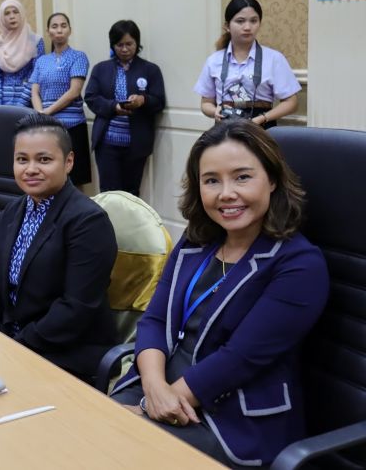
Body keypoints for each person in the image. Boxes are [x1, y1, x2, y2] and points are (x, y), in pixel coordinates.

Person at [110, 119, 329, 467]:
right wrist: (152, 388)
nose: (226, 193)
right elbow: (154, 319)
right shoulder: (197, 240)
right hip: (160, 388)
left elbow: (239, 359)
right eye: (211, 180)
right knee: (77, 431)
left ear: (272, 180)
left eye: (242, 177)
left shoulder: (299, 264)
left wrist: (150, 410)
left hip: (231, 415)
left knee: (111, 448)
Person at [0, 114, 117, 381]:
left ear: (69, 161)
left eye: (44, 159)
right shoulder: (12, 211)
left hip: (65, 350)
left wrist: (15, 346)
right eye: (22, 159)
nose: (31, 168)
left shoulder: (88, 221)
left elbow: (76, 307)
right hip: (12, 339)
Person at [84, 20, 166, 196]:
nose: (124, 49)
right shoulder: (101, 69)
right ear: (112, 45)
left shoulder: (150, 70)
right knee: (109, 194)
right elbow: (91, 97)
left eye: (129, 44)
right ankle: (108, 225)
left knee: (131, 194)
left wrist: (142, 100)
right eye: (119, 45)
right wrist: (113, 106)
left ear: (137, 43)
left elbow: (159, 101)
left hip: (136, 144)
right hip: (106, 144)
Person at [196, 0, 300, 129]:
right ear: (227, 26)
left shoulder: (274, 59)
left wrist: (262, 118)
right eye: (240, 21)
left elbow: (292, 102)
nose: (247, 27)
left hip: (262, 127)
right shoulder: (213, 61)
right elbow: (205, 104)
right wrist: (215, 111)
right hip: (224, 129)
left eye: (253, 21)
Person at [29, 12, 91, 186]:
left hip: (72, 126)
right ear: (48, 31)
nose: (59, 30)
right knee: (48, 178)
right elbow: (34, 91)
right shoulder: (42, 60)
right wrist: (40, 113)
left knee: (74, 180)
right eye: (54, 26)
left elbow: (74, 91)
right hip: (47, 128)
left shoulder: (78, 56)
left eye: (63, 26)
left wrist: (47, 112)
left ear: (70, 30)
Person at [0, 0, 44, 106]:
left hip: (28, 102)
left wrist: (22, 103)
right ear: (1, 18)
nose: (12, 16)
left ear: (22, 14)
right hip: (3, 104)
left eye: (15, 12)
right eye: (7, 13)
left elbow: (36, 74)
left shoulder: (35, 41)